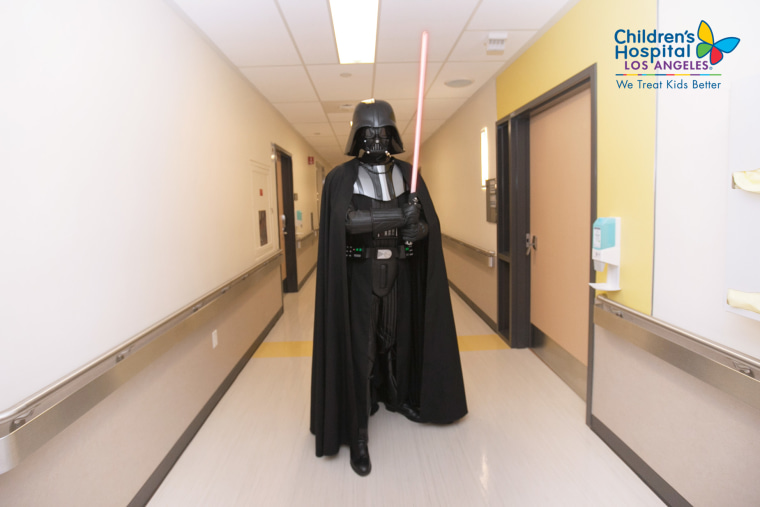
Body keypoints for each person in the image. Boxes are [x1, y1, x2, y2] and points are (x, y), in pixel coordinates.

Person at [310, 99, 467, 477]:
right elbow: (347, 222)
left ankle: (398, 398)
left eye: (383, 133)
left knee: (394, 339)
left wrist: (419, 228)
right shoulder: (340, 178)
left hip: (400, 271)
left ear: (394, 134)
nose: (377, 140)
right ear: (357, 135)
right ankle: (358, 433)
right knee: (361, 349)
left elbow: (426, 227)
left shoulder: (409, 175)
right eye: (370, 133)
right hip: (360, 275)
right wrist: (399, 215)